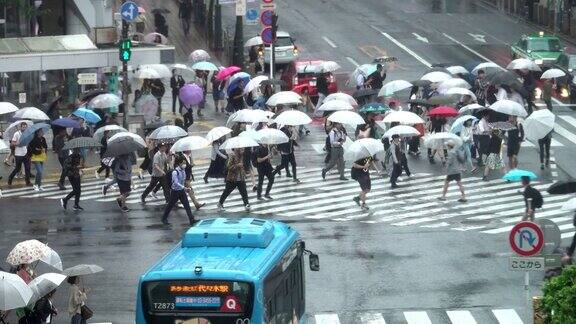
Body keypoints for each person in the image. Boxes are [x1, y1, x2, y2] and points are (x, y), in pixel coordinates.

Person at [161, 155, 195, 225]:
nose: (184, 165)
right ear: (179, 163)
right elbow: (175, 183)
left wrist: (186, 187)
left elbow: (183, 180)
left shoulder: (183, 171)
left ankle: (191, 219)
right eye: (183, 163)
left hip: (181, 191)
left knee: (187, 205)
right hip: (175, 191)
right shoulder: (175, 172)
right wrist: (184, 188)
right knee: (170, 205)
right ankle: (164, 218)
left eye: (185, 163)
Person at [7, 122, 32, 186]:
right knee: (18, 168)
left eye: (25, 127)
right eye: (23, 127)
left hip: (25, 153)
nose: (24, 128)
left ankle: (28, 182)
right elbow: (12, 143)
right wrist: (17, 144)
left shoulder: (27, 134)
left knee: (28, 168)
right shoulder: (17, 134)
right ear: (20, 127)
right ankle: (10, 178)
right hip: (18, 154)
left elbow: (28, 142)